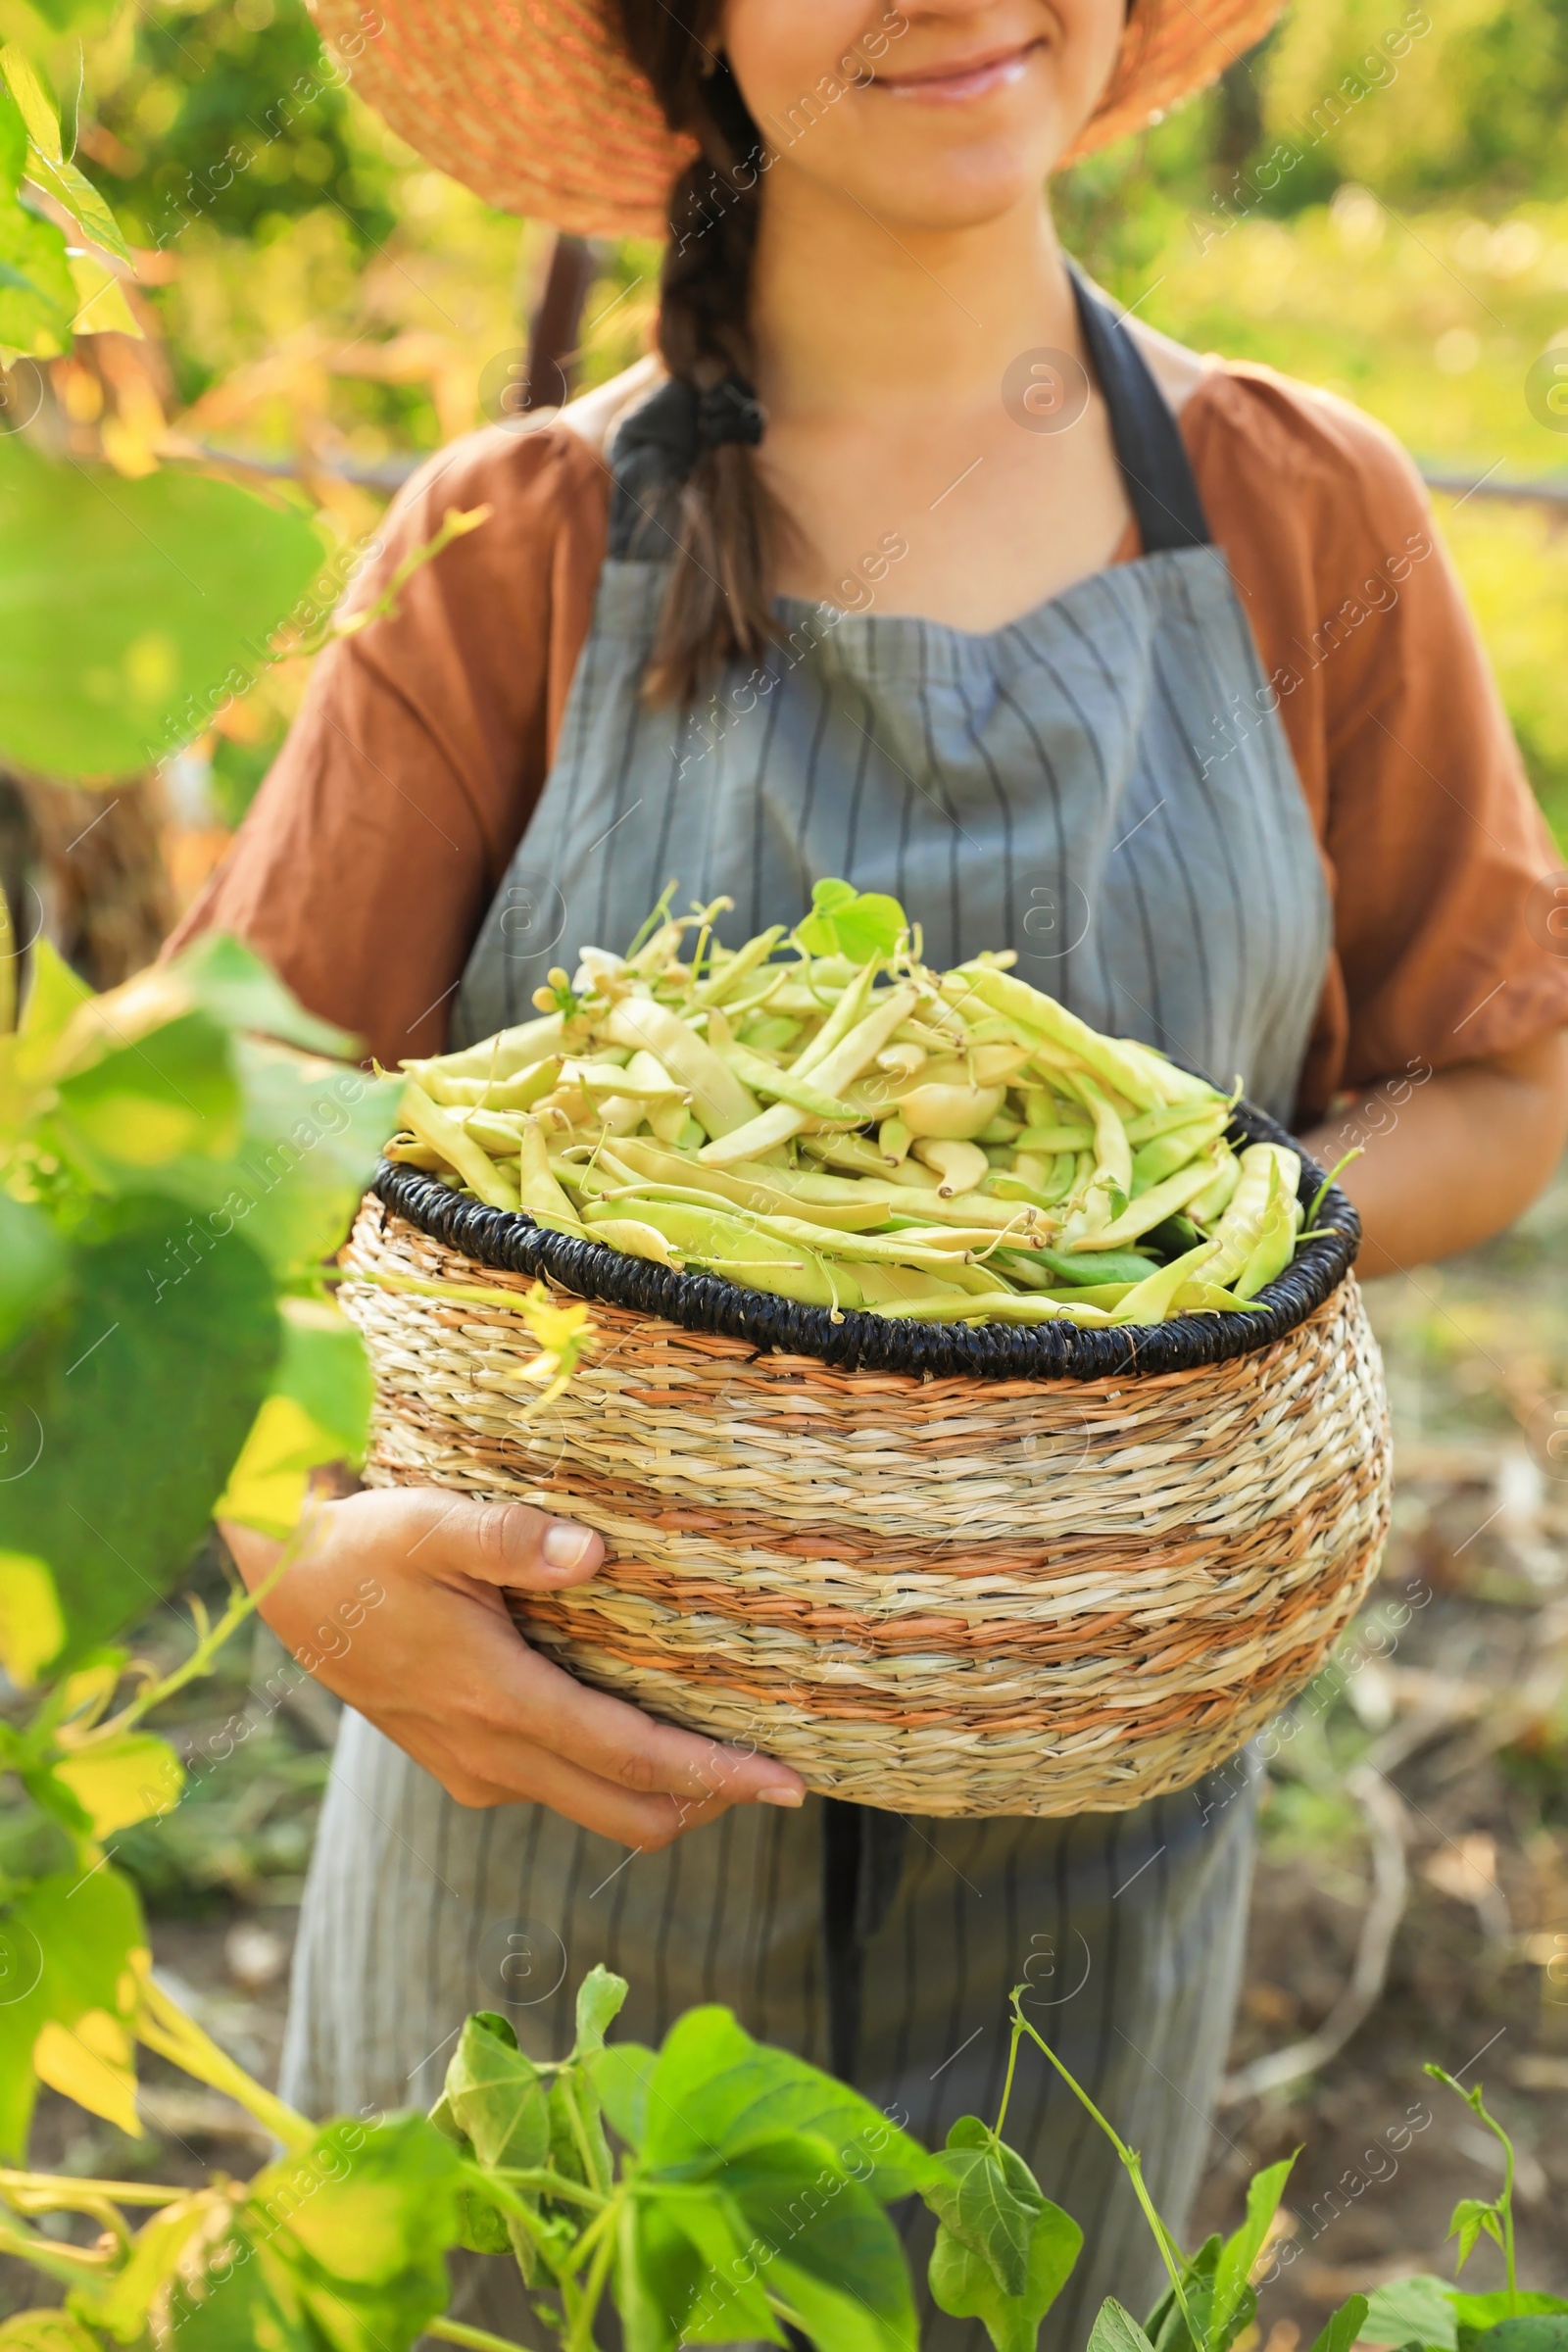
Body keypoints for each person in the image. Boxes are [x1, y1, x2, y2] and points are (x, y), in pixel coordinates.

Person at [179, 0, 1568, 2337]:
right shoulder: (504, 549)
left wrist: (1167, 1268)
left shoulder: (1301, 510)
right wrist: (294, 1551)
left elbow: (1499, 1076)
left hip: (1079, 1877)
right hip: (533, 1905)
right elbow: (210, 1193)